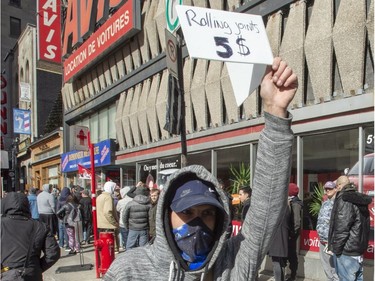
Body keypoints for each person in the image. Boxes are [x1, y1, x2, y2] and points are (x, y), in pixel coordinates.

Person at [104, 57, 298, 280]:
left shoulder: (232, 262)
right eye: (187, 212)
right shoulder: (130, 270)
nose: (197, 223)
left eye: (207, 213)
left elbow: (266, 206)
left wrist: (275, 112)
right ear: (167, 215)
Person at [1, 192, 60, 281]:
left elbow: (53, 254)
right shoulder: (40, 226)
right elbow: (53, 253)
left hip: (6, 273)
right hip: (31, 273)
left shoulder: (1, 224)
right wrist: (36, 267)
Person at [328, 176, 371, 281]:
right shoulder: (359, 198)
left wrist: (336, 250)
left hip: (346, 252)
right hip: (357, 251)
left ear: (339, 186)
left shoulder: (345, 199)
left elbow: (342, 228)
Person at [316, 181, 339, 281]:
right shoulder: (325, 203)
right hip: (322, 240)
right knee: (326, 267)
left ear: (335, 189)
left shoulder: (338, 203)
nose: (327, 190)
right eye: (326, 189)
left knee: (334, 269)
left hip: (331, 241)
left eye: (330, 188)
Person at [268, 206, 291, 281]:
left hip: (276, 237)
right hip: (282, 236)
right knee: (280, 262)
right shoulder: (286, 207)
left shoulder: (275, 207)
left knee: (276, 262)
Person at [97, 181, 120, 252]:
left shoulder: (99, 196)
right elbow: (107, 212)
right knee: (111, 250)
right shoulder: (108, 197)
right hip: (109, 226)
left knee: (105, 249)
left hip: (101, 224)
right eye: (114, 188)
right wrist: (115, 223)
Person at [286, 183, 303, 281]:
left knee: (292, 255)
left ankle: (293, 276)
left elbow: (297, 222)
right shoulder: (291, 202)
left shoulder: (295, 204)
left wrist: (292, 234)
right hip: (290, 234)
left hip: (292, 235)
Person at [117, 186, 136, 250]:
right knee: (133, 240)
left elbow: (117, 209)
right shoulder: (134, 200)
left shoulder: (120, 201)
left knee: (126, 239)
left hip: (122, 223)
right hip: (133, 223)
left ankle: (127, 251)